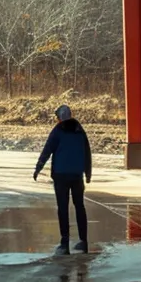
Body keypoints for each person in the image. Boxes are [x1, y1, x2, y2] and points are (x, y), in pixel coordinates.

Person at [33, 104, 93, 254]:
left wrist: (38, 167)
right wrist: (88, 172)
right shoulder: (80, 130)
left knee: (63, 208)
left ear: (59, 117)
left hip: (61, 175)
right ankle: (83, 242)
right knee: (80, 206)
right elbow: (87, 152)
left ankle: (64, 243)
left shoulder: (58, 130)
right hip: (77, 175)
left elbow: (47, 150)